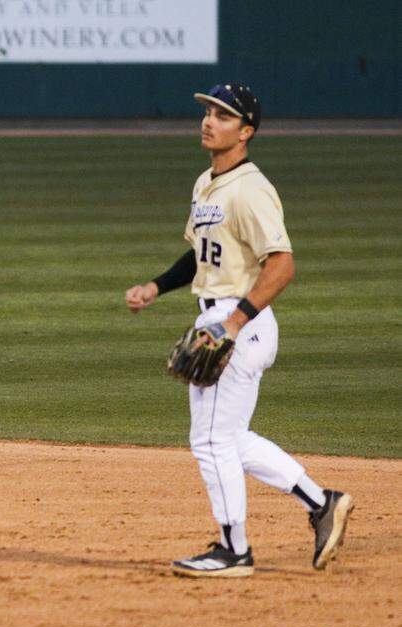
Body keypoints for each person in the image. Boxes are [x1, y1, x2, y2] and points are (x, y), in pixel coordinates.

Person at [124, 83, 354, 578]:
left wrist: (232, 324)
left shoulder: (251, 189)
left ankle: (234, 550)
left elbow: (282, 265)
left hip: (238, 321)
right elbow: (203, 254)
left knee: (209, 442)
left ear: (246, 131)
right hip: (220, 315)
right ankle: (322, 503)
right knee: (229, 437)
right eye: (208, 112)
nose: (209, 121)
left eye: (224, 116)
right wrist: (156, 286)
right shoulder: (207, 181)